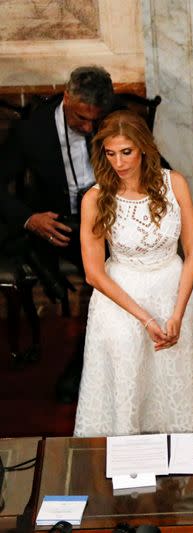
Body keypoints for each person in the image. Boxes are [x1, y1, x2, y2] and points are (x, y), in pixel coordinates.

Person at [73, 110, 193, 436]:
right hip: (121, 302)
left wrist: (177, 312)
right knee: (128, 389)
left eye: (126, 152)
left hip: (173, 294)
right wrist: (146, 319)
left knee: (174, 390)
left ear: (144, 147)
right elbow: (93, 273)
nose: (118, 162)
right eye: (110, 153)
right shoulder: (95, 198)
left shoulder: (173, 183)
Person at [0, 66, 115, 403]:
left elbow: (156, 164)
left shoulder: (114, 118)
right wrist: (28, 219)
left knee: (115, 277)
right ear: (67, 98)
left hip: (109, 221)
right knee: (105, 280)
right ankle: (84, 370)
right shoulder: (31, 131)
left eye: (96, 119)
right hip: (59, 225)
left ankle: (91, 363)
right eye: (81, 118)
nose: (89, 127)